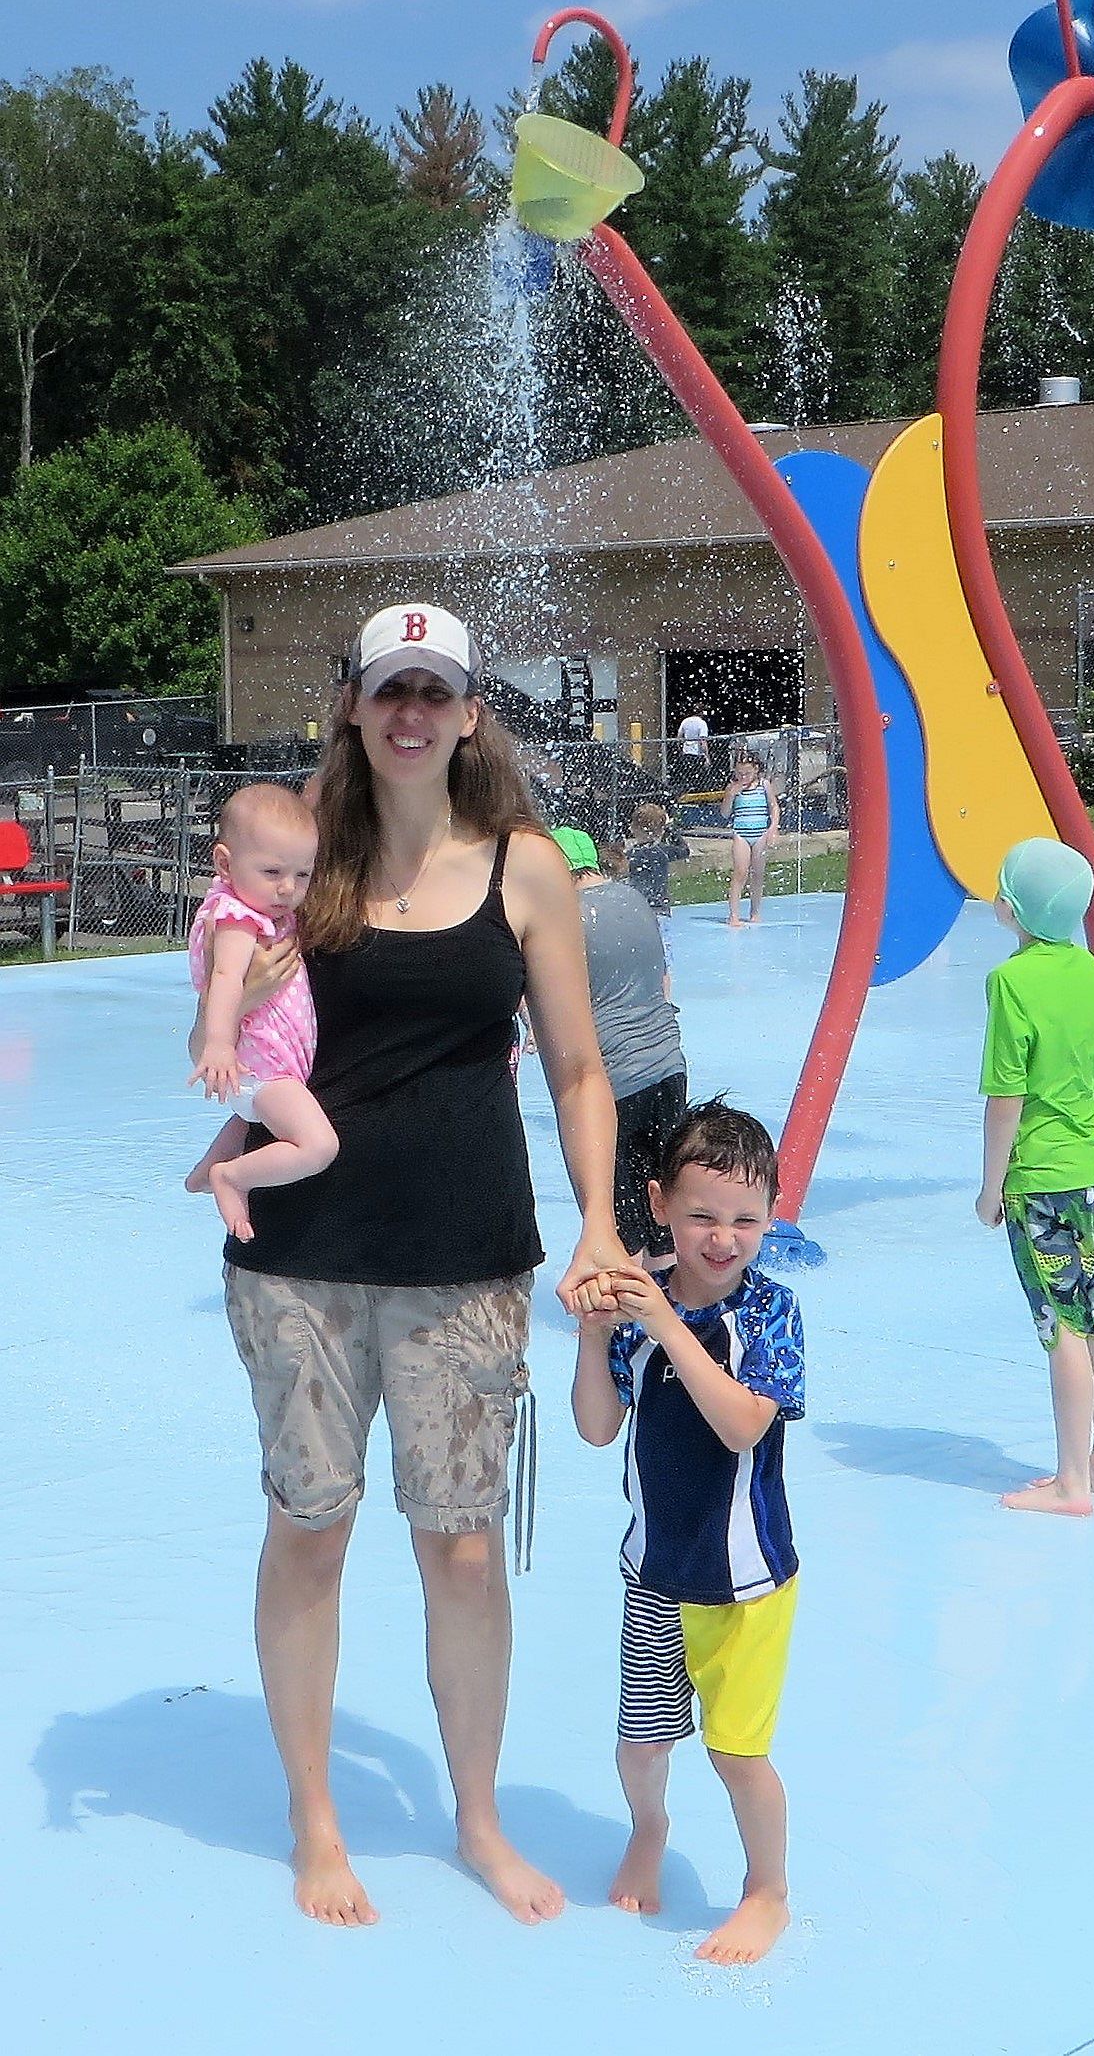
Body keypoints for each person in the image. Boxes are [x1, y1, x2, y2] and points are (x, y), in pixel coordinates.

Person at [195, 601, 623, 1931]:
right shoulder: (303, 860)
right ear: (354, 705)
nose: (413, 711)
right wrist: (230, 1018)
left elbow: (577, 1066)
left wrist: (601, 1218)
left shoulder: (526, 868)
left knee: (463, 1549)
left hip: (465, 1256)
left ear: (471, 711)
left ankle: (477, 1817)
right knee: (309, 1528)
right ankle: (315, 1815)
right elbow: (225, 1005)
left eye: (436, 690)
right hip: (303, 1259)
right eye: (391, 689)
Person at [572, 1099, 803, 1965]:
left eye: (746, 1219)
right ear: (658, 1204)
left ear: (771, 1215)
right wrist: (595, 1338)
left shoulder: (771, 1313)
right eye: (702, 1215)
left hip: (745, 1584)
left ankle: (767, 1891)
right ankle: (649, 1827)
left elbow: (742, 1427)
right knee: (640, 1744)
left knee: (738, 1754)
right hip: (655, 1572)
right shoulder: (641, 1311)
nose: (723, 1238)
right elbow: (597, 1428)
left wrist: (666, 1325)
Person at [975, 838, 1094, 1518]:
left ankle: (1072, 1484)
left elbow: (1005, 1096)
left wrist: (991, 1187)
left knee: (1061, 1328)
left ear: (1011, 909)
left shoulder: (1010, 982)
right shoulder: (1089, 969)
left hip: (1038, 1183)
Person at [185, 785, 337, 1241]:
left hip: (263, 1072)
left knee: (248, 1118)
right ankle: (231, 1176)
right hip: (263, 1072)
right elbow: (226, 979)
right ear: (225, 864)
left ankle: (208, 1166)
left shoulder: (260, 908)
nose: (288, 888)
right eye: (272, 872)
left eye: (302, 874)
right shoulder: (237, 919)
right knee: (318, 1146)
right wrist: (218, 1045)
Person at [552, 825, 687, 1267]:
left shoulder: (565, 917)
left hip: (614, 1081)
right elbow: (663, 981)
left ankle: (626, 1302)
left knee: (621, 1217)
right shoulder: (635, 899)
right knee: (664, 1208)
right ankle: (671, 1297)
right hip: (668, 1065)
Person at [626, 798, 690, 986]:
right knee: (664, 961)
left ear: (633, 829)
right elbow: (685, 851)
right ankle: (666, 998)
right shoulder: (663, 851)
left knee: (638, 955)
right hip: (660, 912)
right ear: (661, 830)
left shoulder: (630, 855)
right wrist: (671, 829)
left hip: (638, 913)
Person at [720, 749, 780, 928]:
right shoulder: (733, 788)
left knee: (758, 874)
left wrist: (773, 827)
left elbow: (774, 807)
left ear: (756, 770)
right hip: (741, 835)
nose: (743, 777)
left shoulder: (764, 785)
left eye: (747, 773)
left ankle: (755, 912)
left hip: (760, 834)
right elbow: (724, 814)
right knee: (740, 872)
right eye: (739, 773)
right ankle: (733, 915)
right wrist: (730, 796)